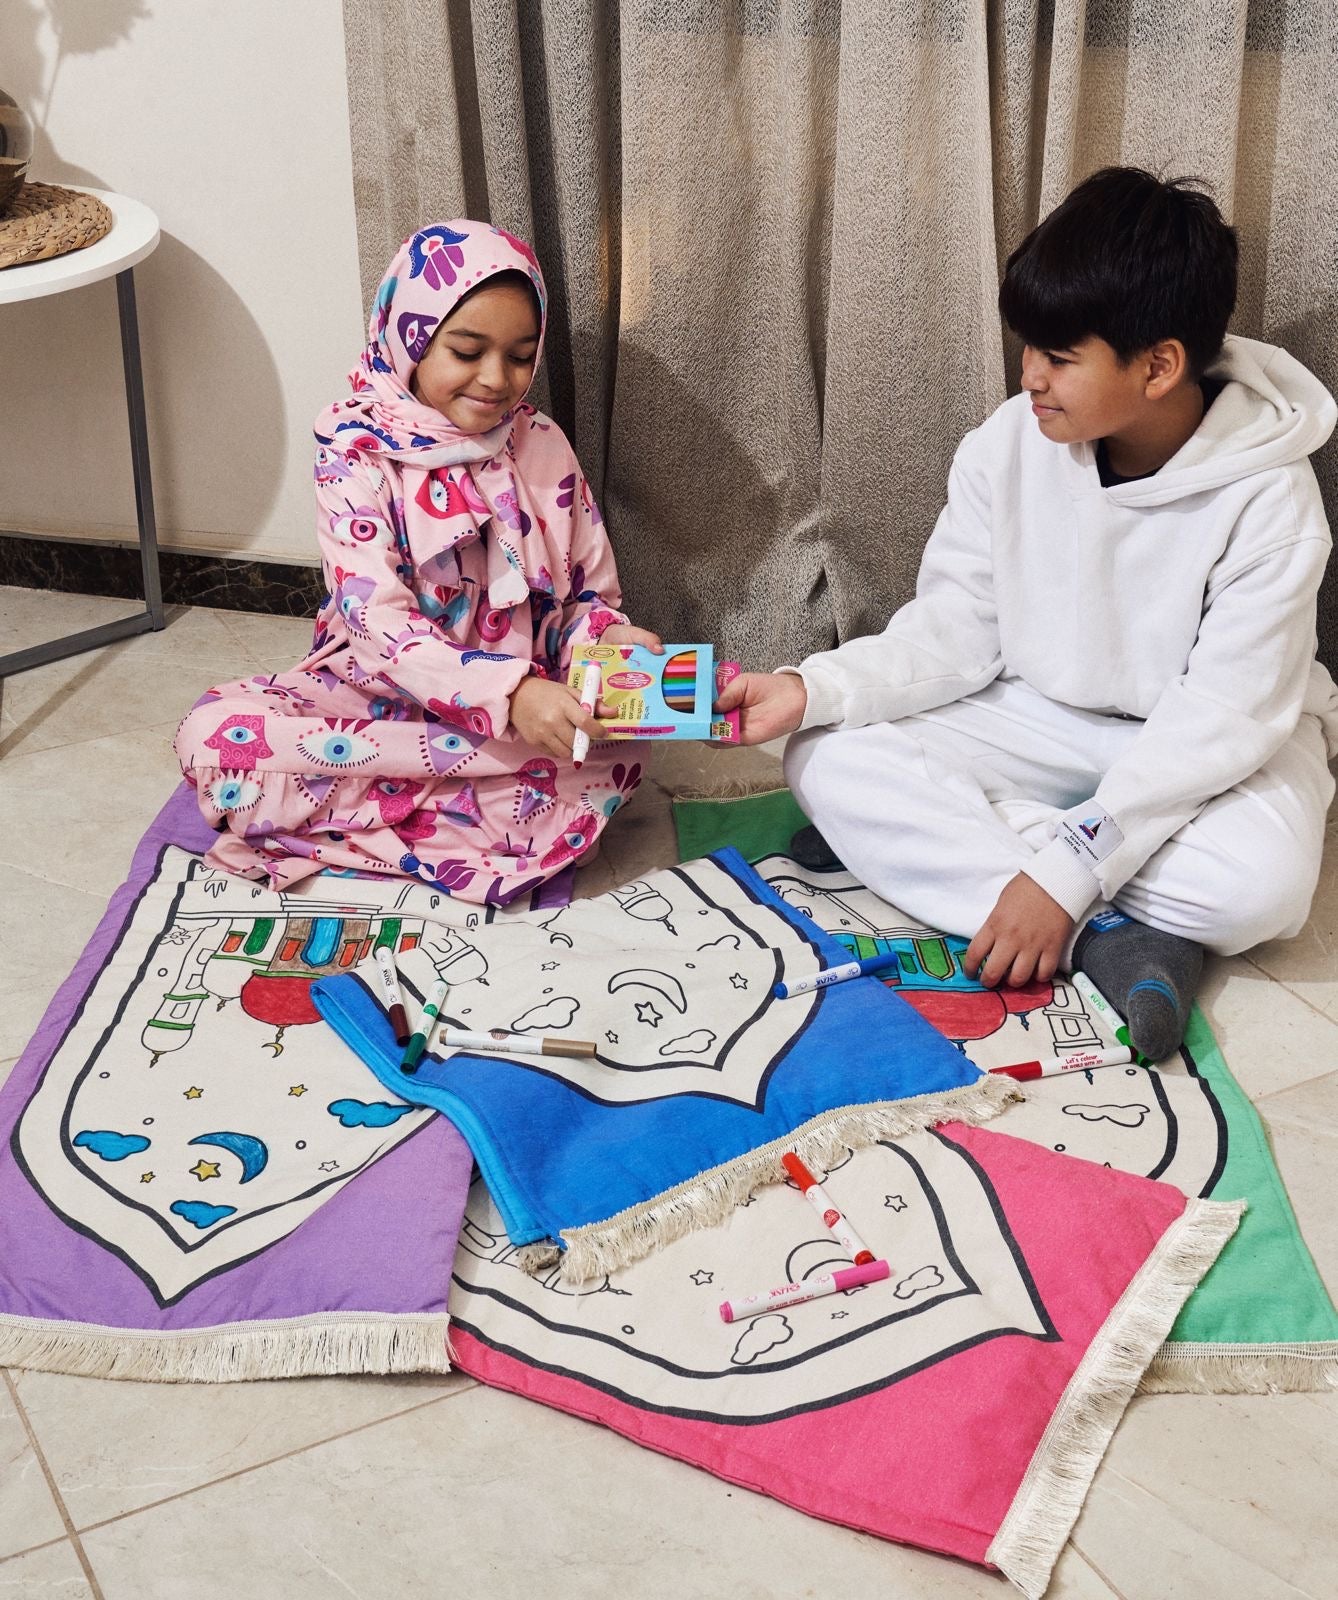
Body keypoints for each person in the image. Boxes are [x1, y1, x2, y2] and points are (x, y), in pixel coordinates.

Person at [716, 167, 1338, 1059]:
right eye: (1029, 349)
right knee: (823, 751)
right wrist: (809, 686)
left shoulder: (1271, 500)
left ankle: (957, 857)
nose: (1029, 377)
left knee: (1266, 889)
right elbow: (958, 628)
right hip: (1036, 714)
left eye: (1058, 356)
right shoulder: (1009, 443)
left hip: (1210, 756)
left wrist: (1068, 868)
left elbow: (1222, 721)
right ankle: (1116, 940)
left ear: (1160, 364)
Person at [175, 220, 659, 906]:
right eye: (466, 351)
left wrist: (608, 646)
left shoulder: (541, 442)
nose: (497, 380)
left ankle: (370, 824)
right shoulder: (355, 451)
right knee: (216, 739)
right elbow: (376, 624)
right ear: (409, 335)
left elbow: (586, 597)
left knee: (620, 752)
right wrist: (508, 695)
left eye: (521, 356)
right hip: (374, 707)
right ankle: (452, 820)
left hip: (519, 717)